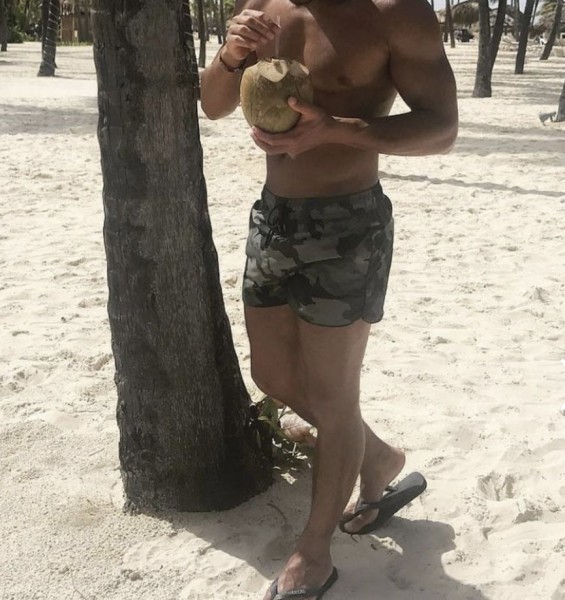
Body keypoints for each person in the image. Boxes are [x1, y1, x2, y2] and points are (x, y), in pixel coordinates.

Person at [200, 1, 458, 598]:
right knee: (272, 376)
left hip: (348, 224)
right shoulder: (261, 5)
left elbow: (441, 128)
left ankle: (314, 552)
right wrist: (231, 54)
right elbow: (212, 104)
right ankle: (379, 457)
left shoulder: (396, 12)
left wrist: (334, 128)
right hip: (273, 217)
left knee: (333, 395)